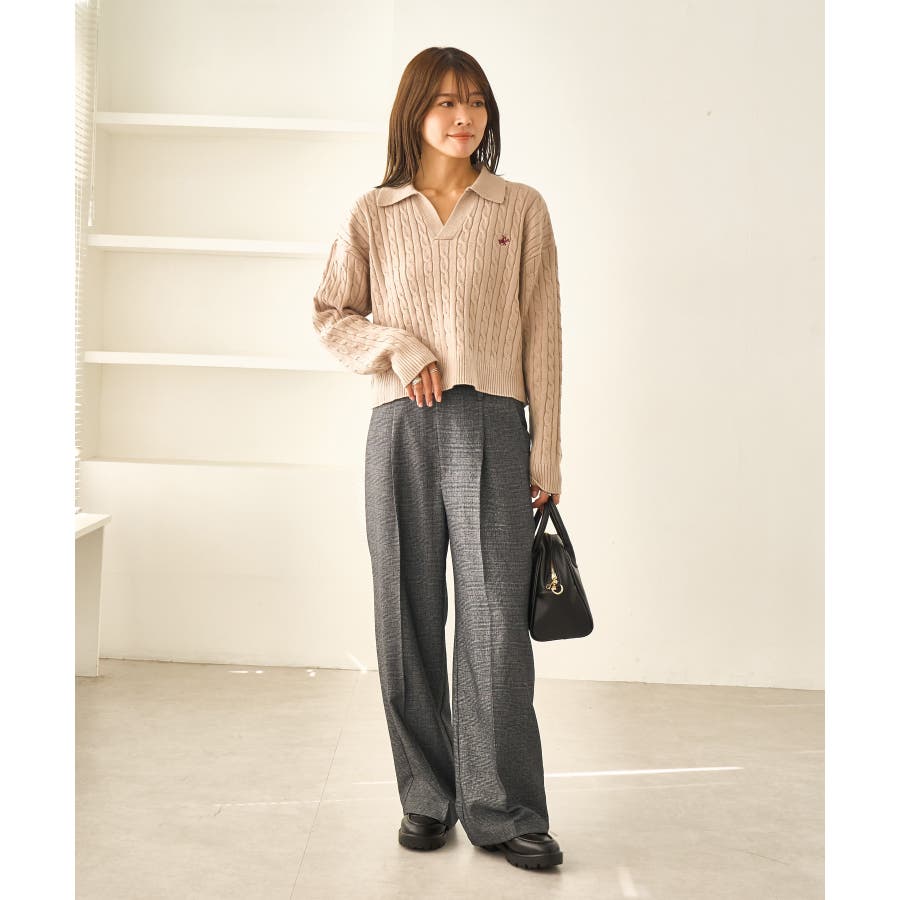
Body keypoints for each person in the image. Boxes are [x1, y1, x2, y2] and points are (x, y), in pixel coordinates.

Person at [311, 47, 564, 871]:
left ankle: (505, 808)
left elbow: (543, 331)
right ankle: (426, 796)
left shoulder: (519, 206)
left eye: (478, 102)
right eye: (448, 102)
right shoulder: (374, 212)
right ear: (414, 111)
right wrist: (397, 344)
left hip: (493, 424)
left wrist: (548, 446)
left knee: (495, 624)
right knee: (405, 612)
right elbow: (331, 313)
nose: (465, 117)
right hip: (401, 426)